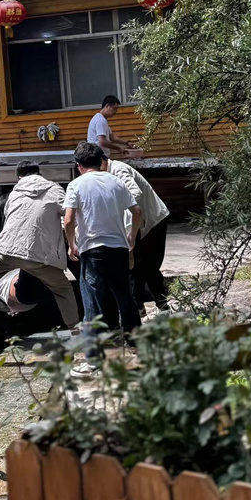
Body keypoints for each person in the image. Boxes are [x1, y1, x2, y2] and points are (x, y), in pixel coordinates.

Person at [0, 160, 79, 328]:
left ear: (18, 177)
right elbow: (70, 217)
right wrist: (70, 241)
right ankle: (75, 331)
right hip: (39, 257)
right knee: (63, 290)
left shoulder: (14, 193)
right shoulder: (55, 189)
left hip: (7, 250)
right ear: (39, 174)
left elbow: (9, 219)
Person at [64, 142, 142, 356]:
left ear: (79, 165)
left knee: (91, 301)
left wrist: (72, 244)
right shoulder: (116, 182)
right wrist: (131, 238)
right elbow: (137, 211)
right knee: (125, 297)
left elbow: (68, 220)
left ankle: (93, 354)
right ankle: (136, 343)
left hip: (92, 250)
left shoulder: (76, 185)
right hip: (118, 248)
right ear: (101, 162)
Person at [107, 157, 170, 311]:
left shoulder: (118, 170)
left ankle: (161, 304)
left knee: (148, 265)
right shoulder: (107, 174)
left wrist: (130, 232)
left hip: (152, 220)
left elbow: (135, 194)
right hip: (139, 223)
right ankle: (139, 306)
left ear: (102, 162)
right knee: (136, 266)